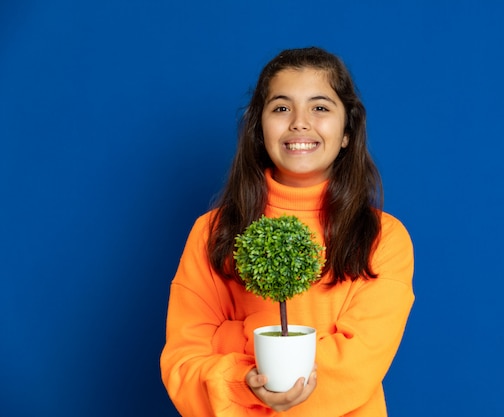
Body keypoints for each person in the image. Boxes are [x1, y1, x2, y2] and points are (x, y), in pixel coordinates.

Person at [160, 46, 414, 416]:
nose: (299, 122)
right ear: (258, 128)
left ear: (347, 131)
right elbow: (183, 366)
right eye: (281, 107)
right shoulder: (211, 232)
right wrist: (248, 379)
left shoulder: (382, 239)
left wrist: (237, 335)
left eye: (320, 107)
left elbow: (355, 368)